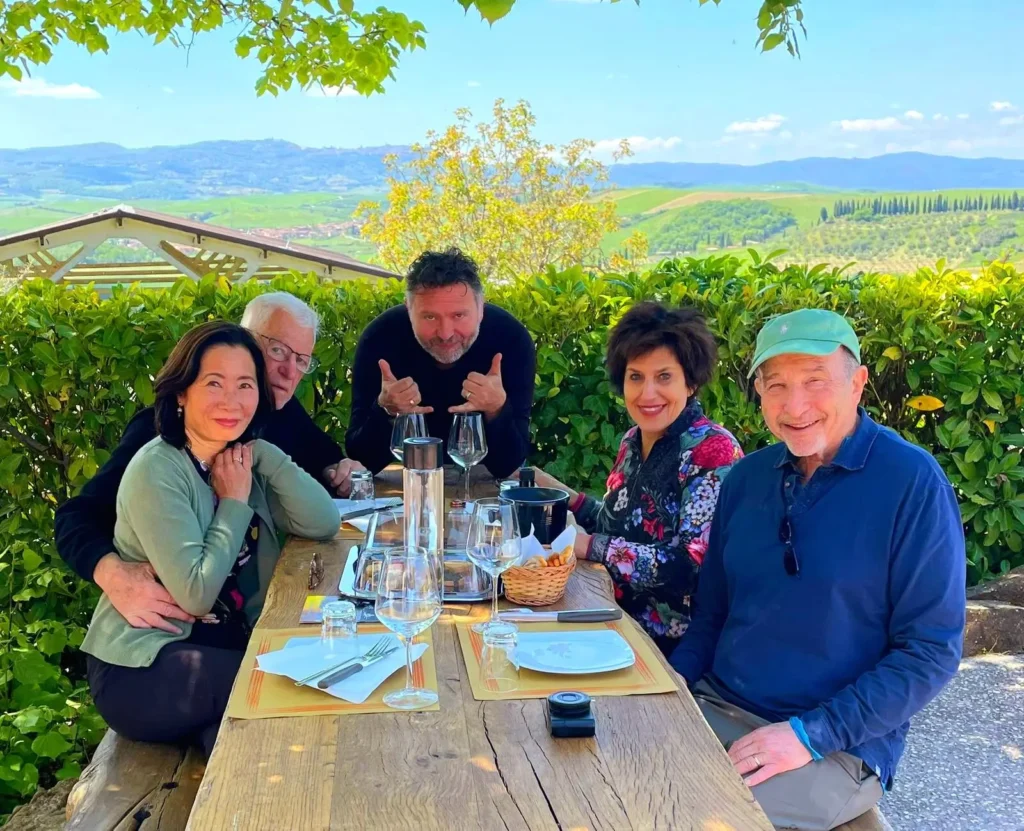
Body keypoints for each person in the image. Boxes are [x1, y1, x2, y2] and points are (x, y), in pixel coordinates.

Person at [670, 309, 966, 831]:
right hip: (718, 705)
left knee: (687, 812)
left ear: (857, 384)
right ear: (759, 392)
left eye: (815, 382)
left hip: (838, 744)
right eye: (777, 385)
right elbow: (711, 615)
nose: (796, 405)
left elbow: (930, 651)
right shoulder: (745, 479)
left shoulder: (912, 482)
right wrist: (669, 685)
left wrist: (809, 734)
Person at [80, 321, 340, 756]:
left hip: (219, 648)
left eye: (245, 385)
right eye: (214, 383)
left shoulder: (239, 456)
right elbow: (197, 593)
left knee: (248, 743)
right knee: (289, 683)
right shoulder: (158, 469)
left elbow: (323, 521)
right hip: (146, 665)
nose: (231, 401)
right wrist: (234, 503)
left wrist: (265, 455)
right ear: (182, 392)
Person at [55, 291, 361, 634]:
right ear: (244, 341)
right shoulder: (159, 438)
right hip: (171, 632)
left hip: (247, 614)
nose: (290, 371)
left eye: (302, 360)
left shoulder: (276, 412)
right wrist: (111, 573)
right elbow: (77, 515)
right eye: (278, 351)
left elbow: (322, 460)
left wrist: (342, 465)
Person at [535, 303, 743, 656]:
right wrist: (563, 496)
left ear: (690, 382)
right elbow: (621, 523)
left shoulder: (712, 449)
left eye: (664, 377)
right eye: (636, 377)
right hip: (611, 617)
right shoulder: (634, 439)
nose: (647, 394)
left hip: (671, 647)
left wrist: (588, 546)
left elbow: (690, 567)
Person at [345, 248, 535, 477]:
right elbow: (362, 459)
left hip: (482, 485)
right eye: (430, 317)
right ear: (408, 308)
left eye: (459, 316)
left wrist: (497, 410)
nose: (445, 334)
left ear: (481, 309)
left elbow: (510, 464)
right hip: (405, 484)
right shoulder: (380, 338)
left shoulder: (510, 338)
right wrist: (385, 410)